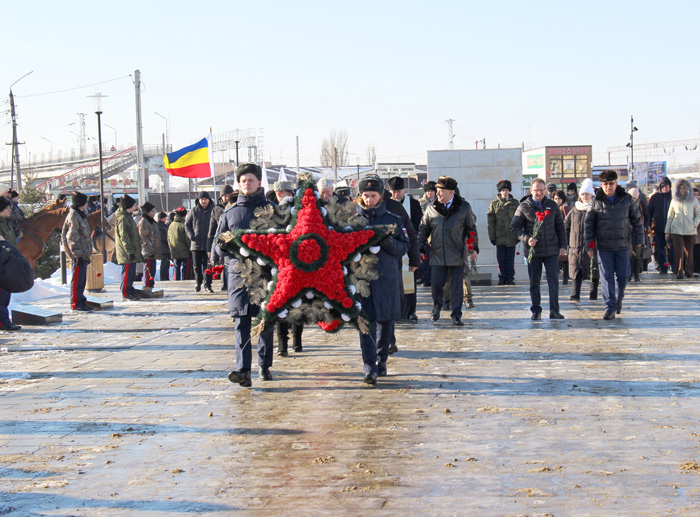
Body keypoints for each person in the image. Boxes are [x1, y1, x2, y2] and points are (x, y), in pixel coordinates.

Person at [219, 163, 275, 387]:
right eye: (243, 181)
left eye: (251, 180)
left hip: (264, 275)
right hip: (238, 275)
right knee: (241, 321)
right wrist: (225, 246)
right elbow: (217, 244)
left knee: (264, 320)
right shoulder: (230, 213)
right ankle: (243, 370)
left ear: (259, 182)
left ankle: (264, 365)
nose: (247, 184)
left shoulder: (272, 211)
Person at [356, 175, 409, 384]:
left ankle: (381, 360)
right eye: (366, 196)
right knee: (365, 323)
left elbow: (403, 246)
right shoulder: (353, 221)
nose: (369, 200)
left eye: (373, 196)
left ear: (380, 196)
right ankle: (369, 366)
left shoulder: (392, 219)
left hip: (386, 279)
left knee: (385, 323)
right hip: (362, 280)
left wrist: (386, 242)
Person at [584, 170, 644, 320]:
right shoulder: (595, 201)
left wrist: (639, 239)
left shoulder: (626, 199)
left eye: (611, 184)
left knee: (624, 276)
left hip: (623, 245)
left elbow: (637, 221)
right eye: (605, 184)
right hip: (604, 247)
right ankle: (610, 306)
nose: (608, 187)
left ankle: (619, 299)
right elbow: (589, 226)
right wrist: (590, 246)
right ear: (601, 185)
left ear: (616, 184)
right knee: (607, 277)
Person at [419, 176, 478, 326]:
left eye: (440, 191)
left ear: (450, 193)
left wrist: (473, 247)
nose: (436, 194)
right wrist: (420, 248)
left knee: (457, 286)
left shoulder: (464, 207)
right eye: (436, 191)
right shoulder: (432, 208)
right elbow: (423, 228)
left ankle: (456, 314)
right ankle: (437, 306)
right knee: (437, 284)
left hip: (457, 253)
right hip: (438, 253)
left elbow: (471, 229)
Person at [511, 177, 567, 320]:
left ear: (545, 191)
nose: (539, 193)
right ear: (531, 190)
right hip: (533, 251)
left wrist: (563, 246)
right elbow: (514, 228)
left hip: (552, 250)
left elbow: (560, 227)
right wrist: (526, 238)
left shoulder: (552, 206)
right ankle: (536, 310)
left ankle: (554, 310)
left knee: (553, 281)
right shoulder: (523, 206)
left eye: (542, 191)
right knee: (534, 282)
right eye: (536, 191)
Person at [386, 176, 422, 322]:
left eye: (399, 191)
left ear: (404, 190)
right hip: (393, 248)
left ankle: (411, 310)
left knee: (409, 283)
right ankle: (397, 311)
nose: (396, 194)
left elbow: (417, 226)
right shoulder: (387, 204)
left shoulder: (412, 204)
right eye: (393, 191)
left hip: (407, 246)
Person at [565, 178, 599, 300]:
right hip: (575, 246)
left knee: (593, 270)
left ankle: (593, 293)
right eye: (583, 194)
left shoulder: (596, 209)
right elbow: (566, 226)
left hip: (590, 246)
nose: (585, 196)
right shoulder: (574, 210)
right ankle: (575, 293)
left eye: (587, 194)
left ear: (592, 195)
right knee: (576, 271)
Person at [61, 192, 95, 312]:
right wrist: (78, 254)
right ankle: (76, 302)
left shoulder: (80, 215)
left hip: (83, 253)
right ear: (80, 203)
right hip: (78, 254)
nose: (87, 204)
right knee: (77, 280)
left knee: (82, 280)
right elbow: (72, 237)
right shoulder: (74, 216)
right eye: (85, 202)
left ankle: (81, 300)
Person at [664, 178, 700, 280]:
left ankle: (689, 271)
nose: (682, 190)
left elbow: (698, 213)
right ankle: (679, 272)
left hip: (690, 230)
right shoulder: (674, 200)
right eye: (680, 188)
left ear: (688, 188)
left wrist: (694, 224)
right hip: (677, 230)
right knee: (678, 252)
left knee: (689, 252)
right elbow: (670, 216)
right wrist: (667, 231)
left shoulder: (693, 200)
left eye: (684, 187)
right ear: (677, 189)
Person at [487, 179, 519, 285]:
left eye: (506, 190)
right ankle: (502, 277)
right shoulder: (494, 204)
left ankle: (510, 277)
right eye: (503, 190)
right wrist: (492, 236)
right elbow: (491, 222)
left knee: (510, 259)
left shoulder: (515, 203)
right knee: (501, 259)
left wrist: (518, 235)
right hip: (499, 236)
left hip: (511, 236)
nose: (505, 192)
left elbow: (519, 220)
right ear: (500, 191)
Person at [0, 197, 23, 330]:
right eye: (7, 208)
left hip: (8, 262)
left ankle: (5, 320)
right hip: (2, 262)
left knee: (6, 294)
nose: (10, 209)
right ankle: (2, 321)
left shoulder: (6, 223)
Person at [115, 194, 143, 301]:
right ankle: (125, 292)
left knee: (131, 272)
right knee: (127, 273)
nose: (135, 206)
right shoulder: (123, 219)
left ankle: (130, 290)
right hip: (127, 252)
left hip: (131, 251)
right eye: (133, 205)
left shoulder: (128, 217)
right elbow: (124, 237)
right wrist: (129, 251)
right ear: (128, 206)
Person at [186, 191, 214, 293]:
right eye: (201, 199)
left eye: (205, 199)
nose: (203, 201)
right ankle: (198, 283)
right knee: (196, 266)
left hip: (208, 244)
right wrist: (191, 236)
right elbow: (187, 225)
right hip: (196, 244)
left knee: (208, 266)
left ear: (209, 200)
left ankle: (208, 285)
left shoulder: (213, 211)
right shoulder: (194, 211)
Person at [209, 185, 234, 291]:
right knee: (224, 264)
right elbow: (213, 232)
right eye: (225, 195)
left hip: (234, 241)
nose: (227, 198)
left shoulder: (235, 207)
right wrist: (211, 253)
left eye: (229, 195)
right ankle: (225, 284)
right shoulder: (216, 210)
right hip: (222, 240)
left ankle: (229, 285)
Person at [648, 177, 674, 274]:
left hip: (672, 228)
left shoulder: (673, 197)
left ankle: (673, 266)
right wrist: (649, 224)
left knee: (672, 248)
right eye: (663, 186)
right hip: (659, 228)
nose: (665, 188)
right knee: (660, 249)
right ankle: (663, 268)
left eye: (667, 186)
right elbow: (649, 212)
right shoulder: (655, 197)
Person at [137, 202, 160, 290]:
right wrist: (148, 250)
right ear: (147, 212)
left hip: (153, 251)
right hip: (149, 252)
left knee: (152, 270)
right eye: (152, 211)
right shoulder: (144, 222)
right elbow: (143, 238)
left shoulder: (151, 221)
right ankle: (147, 287)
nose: (154, 212)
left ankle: (150, 285)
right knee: (148, 270)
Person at [419, 181, 437, 287]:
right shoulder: (420, 202)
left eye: (432, 191)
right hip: (424, 232)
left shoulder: (438, 203)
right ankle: (426, 279)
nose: (430, 193)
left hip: (435, 234)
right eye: (428, 191)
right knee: (425, 258)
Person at [554, 190, 572, 285]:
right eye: (556, 198)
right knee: (556, 259)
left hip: (565, 234)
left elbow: (568, 220)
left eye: (559, 198)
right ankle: (556, 277)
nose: (557, 201)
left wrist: (565, 209)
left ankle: (565, 278)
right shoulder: (551, 207)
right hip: (553, 236)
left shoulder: (566, 208)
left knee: (564, 258)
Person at [168, 207, 191, 280]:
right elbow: (187, 239)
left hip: (174, 250)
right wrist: (190, 249)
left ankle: (176, 281)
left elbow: (168, 238)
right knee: (185, 269)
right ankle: (185, 281)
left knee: (176, 267)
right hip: (184, 251)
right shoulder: (184, 225)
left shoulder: (171, 225)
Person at [156, 212, 171, 281]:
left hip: (165, 248)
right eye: (165, 218)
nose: (166, 219)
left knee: (166, 264)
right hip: (163, 248)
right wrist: (168, 241)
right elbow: (162, 237)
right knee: (164, 264)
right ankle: (164, 277)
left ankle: (165, 277)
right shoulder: (160, 226)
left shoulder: (162, 225)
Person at [694, 188, 700, 276]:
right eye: (694, 194)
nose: (696, 196)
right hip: (692, 231)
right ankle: (695, 269)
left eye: (697, 194)